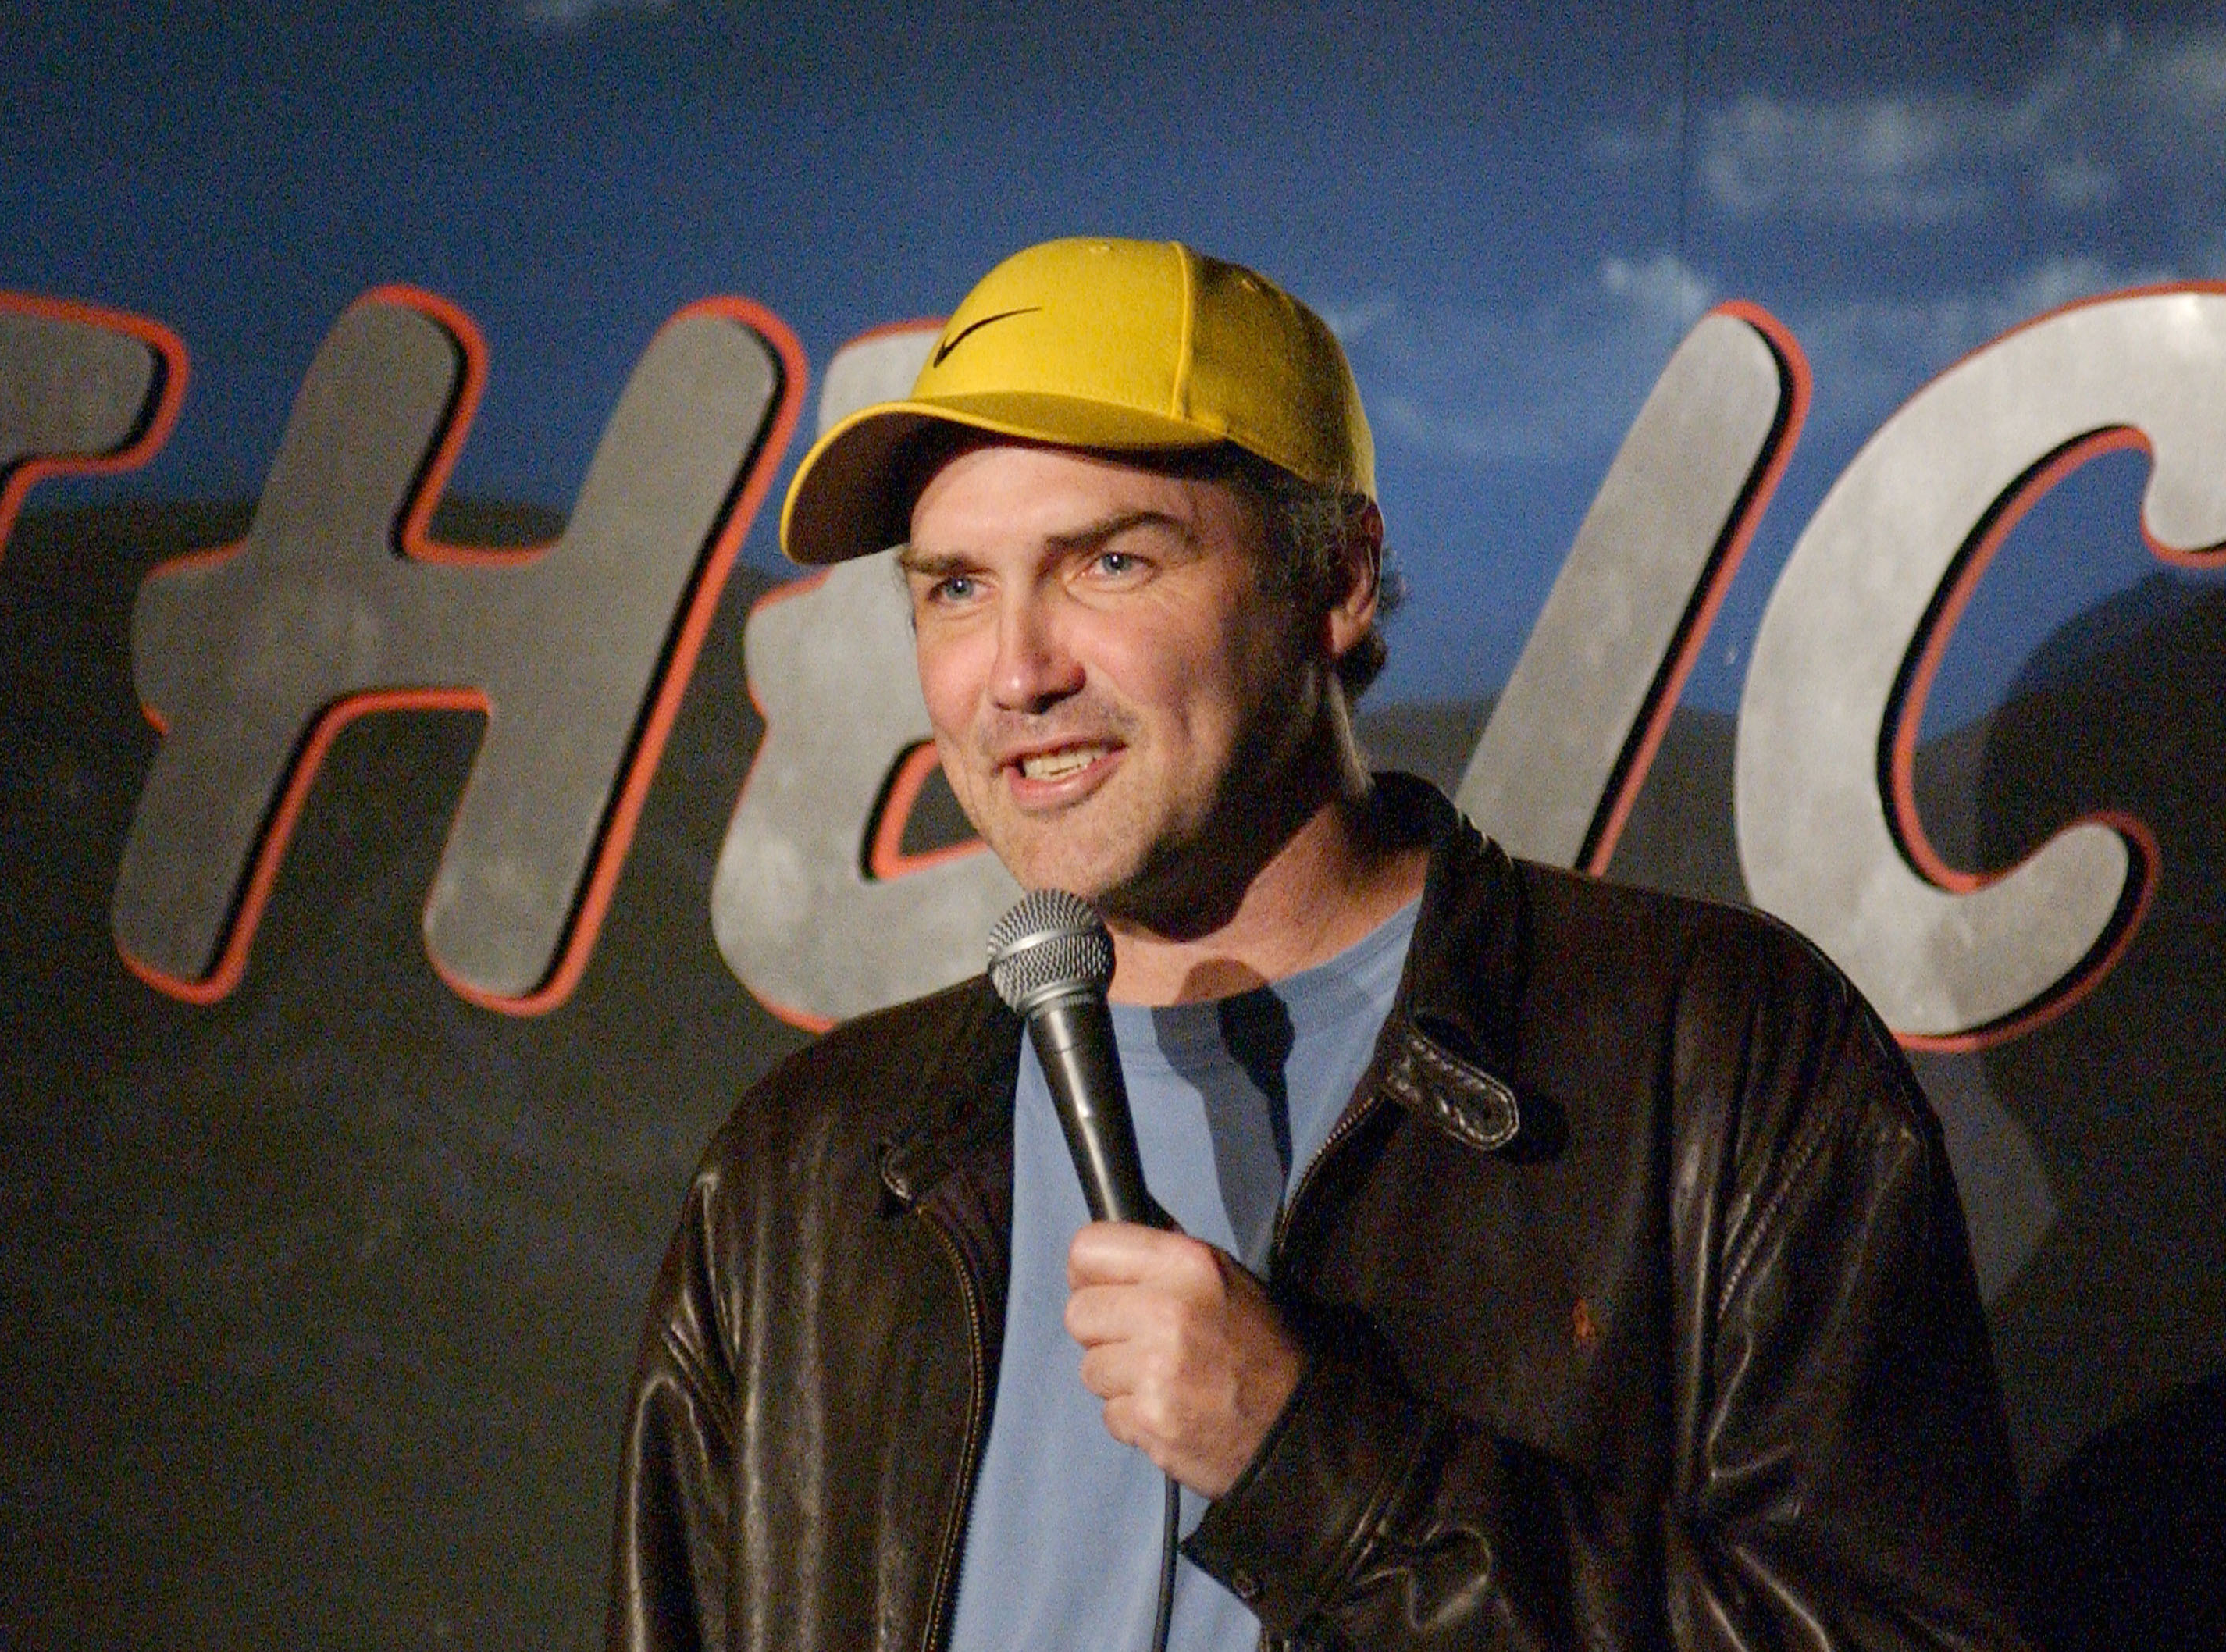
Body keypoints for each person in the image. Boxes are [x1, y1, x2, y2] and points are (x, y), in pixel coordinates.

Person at [608, 237, 2030, 1650]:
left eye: (1108, 561)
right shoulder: (804, 1177)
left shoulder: (1713, 1054)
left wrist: (1317, 1472)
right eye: (956, 590)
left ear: (1337, 581)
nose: (1019, 672)